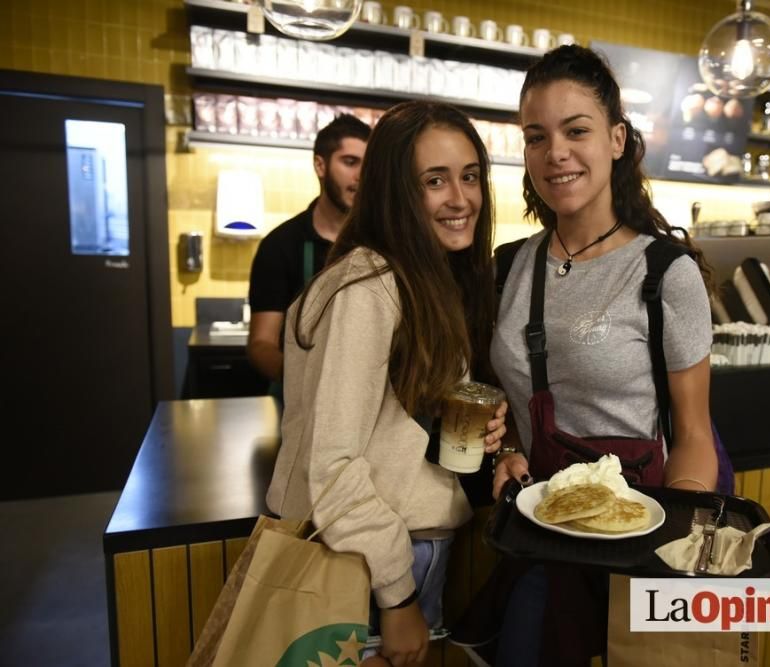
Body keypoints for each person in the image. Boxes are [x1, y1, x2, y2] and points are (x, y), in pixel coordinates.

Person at [486, 44, 719, 666]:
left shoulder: (665, 273)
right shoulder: (507, 266)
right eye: (537, 137)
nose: (555, 151)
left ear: (617, 139)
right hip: (538, 533)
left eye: (576, 130)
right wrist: (507, 449)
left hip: (636, 539)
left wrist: (672, 546)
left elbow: (694, 433)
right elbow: (498, 396)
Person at [266, 101, 507, 667]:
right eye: (435, 181)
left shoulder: (414, 277)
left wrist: (476, 431)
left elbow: (386, 422)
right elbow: (334, 464)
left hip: (391, 551)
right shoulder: (369, 287)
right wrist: (397, 595)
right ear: (396, 191)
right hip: (372, 563)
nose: (460, 198)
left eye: (470, 176)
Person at [247, 114, 371, 383]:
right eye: (350, 162)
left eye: (368, 165)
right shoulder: (281, 245)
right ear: (320, 165)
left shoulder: (381, 244)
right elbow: (261, 344)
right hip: (297, 404)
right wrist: (307, 379)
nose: (361, 175)